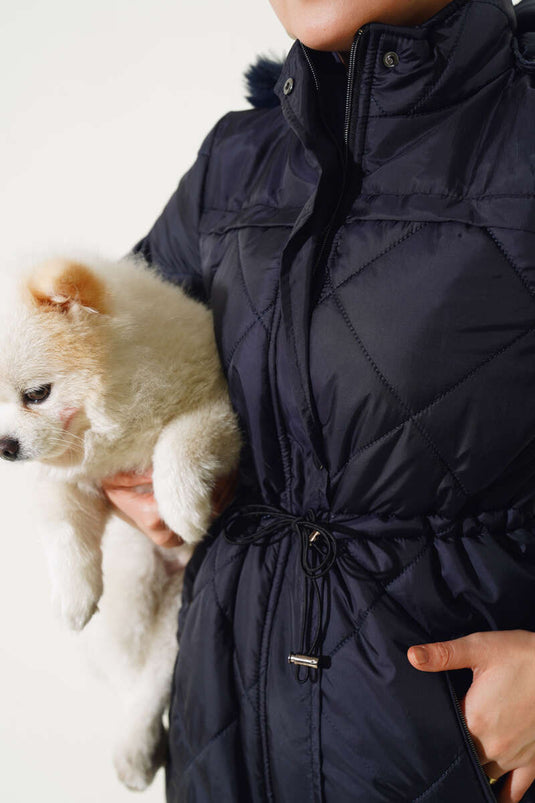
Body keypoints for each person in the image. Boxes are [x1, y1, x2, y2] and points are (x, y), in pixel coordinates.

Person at [102, 0, 535, 800]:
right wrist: (129, 480)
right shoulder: (237, 159)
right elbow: (93, 351)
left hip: (455, 762)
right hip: (223, 746)